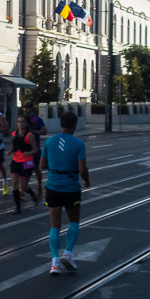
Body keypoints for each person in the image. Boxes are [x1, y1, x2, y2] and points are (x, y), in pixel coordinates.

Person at [40, 110, 90, 275]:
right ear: (74, 125)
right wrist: (87, 181)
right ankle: (68, 253)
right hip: (71, 187)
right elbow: (82, 169)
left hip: (53, 186)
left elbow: (42, 165)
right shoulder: (78, 143)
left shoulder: (49, 142)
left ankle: (54, 262)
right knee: (74, 222)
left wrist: (56, 165)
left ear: (60, 123)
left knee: (55, 225)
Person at [9, 115, 40, 214]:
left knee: (24, 187)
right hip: (16, 161)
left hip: (27, 162)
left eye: (22, 122)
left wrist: (29, 153)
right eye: (18, 122)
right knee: (14, 185)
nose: (20, 124)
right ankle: (18, 207)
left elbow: (36, 150)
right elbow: (14, 146)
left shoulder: (29, 135)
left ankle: (32, 194)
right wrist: (10, 151)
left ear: (26, 124)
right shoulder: (14, 133)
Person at [22, 100, 48, 200]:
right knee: (22, 170)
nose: (25, 109)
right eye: (24, 107)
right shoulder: (22, 118)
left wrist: (34, 131)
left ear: (32, 108)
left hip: (35, 149)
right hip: (24, 149)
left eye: (27, 107)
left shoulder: (37, 119)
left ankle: (39, 186)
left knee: (36, 169)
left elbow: (45, 131)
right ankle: (22, 190)